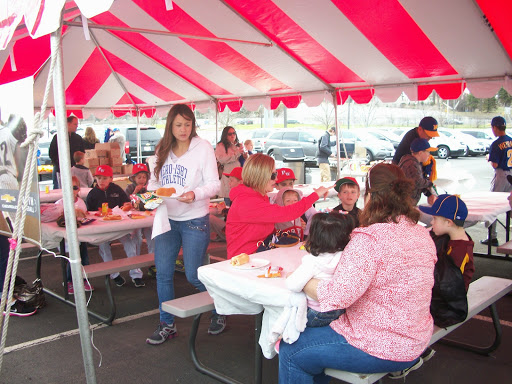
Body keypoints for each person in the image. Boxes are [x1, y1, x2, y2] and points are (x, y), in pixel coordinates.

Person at [278, 163, 437, 382]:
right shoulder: (421, 233)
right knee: (311, 348)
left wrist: (300, 280)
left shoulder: (369, 239)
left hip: (379, 345)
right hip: (417, 338)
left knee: (291, 350)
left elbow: (337, 297)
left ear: (369, 196)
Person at [146, 104, 221, 345]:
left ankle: (220, 306)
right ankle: (167, 324)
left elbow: (214, 184)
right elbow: (152, 183)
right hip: (166, 218)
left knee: (193, 274)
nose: (183, 129)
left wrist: (195, 194)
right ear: (170, 125)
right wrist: (148, 197)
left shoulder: (203, 147)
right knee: (164, 275)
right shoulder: (162, 148)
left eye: (187, 124)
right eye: (178, 124)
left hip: (194, 219)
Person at [226, 153, 328, 259]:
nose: (277, 179)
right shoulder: (247, 201)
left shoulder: (258, 196)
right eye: (273, 175)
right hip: (244, 261)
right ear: (260, 176)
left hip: (260, 255)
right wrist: (316, 195)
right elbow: (286, 213)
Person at [286, 212, 354, 327]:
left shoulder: (312, 261)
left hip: (316, 314)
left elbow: (293, 285)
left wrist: (289, 276)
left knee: (288, 312)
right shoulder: (345, 257)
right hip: (339, 311)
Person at [419, 194, 474, 328]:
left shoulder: (459, 251)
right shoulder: (450, 239)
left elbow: (450, 287)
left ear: (449, 222)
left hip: (448, 306)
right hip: (444, 296)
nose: (431, 223)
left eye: (434, 219)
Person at [85, 165, 144, 288]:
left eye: (104, 178)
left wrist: (125, 206)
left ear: (111, 178)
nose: (101, 181)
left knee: (130, 245)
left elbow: (127, 203)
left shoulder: (117, 189)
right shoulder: (92, 194)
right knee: (104, 248)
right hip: (102, 228)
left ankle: (136, 274)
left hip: (119, 225)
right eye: (99, 178)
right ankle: (114, 274)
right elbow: (88, 213)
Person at [55, 176, 93, 295]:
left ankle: (84, 278)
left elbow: (85, 217)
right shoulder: (60, 203)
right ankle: (69, 281)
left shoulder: (81, 203)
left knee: (84, 258)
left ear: (79, 189)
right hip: (68, 238)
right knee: (72, 260)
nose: (72, 191)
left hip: (81, 236)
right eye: (69, 188)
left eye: (75, 188)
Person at [482, 116, 512, 246]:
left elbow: (495, 165)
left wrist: (489, 158)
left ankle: (492, 236)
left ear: (495, 127)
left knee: (492, 204)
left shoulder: (496, 144)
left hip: (501, 174)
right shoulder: (511, 140)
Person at [125, 164, 154, 256]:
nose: (142, 180)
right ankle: (135, 260)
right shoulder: (129, 188)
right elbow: (127, 203)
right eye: (139, 177)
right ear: (133, 178)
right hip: (134, 216)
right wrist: (135, 193)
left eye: (144, 177)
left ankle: (152, 258)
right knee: (137, 239)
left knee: (151, 236)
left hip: (147, 215)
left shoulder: (148, 188)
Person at [398, 138, 438, 206]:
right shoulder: (411, 164)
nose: (429, 155)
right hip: (404, 204)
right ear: (420, 153)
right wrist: (430, 184)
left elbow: (417, 181)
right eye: (428, 152)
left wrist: (428, 194)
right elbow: (418, 182)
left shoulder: (412, 162)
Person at [49, 115, 85, 189]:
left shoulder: (78, 138)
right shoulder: (58, 137)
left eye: (77, 125)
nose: (76, 126)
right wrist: (58, 163)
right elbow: (51, 153)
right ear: (68, 124)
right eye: (75, 124)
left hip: (75, 170)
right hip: (60, 169)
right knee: (59, 189)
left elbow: (82, 152)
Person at [210, 167, 243, 242]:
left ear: (241, 182)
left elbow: (237, 218)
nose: (229, 183)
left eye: (231, 181)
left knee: (208, 217)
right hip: (235, 229)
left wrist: (224, 210)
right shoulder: (238, 194)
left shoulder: (241, 196)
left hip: (237, 233)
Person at [215, 126, 243, 205]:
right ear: (225, 135)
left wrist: (244, 155)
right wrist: (236, 153)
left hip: (239, 177)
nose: (232, 135)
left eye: (234, 133)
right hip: (228, 177)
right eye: (230, 134)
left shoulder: (237, 145)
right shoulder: (221, 145)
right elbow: (222, 159)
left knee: (239, 201)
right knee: (229, 201)